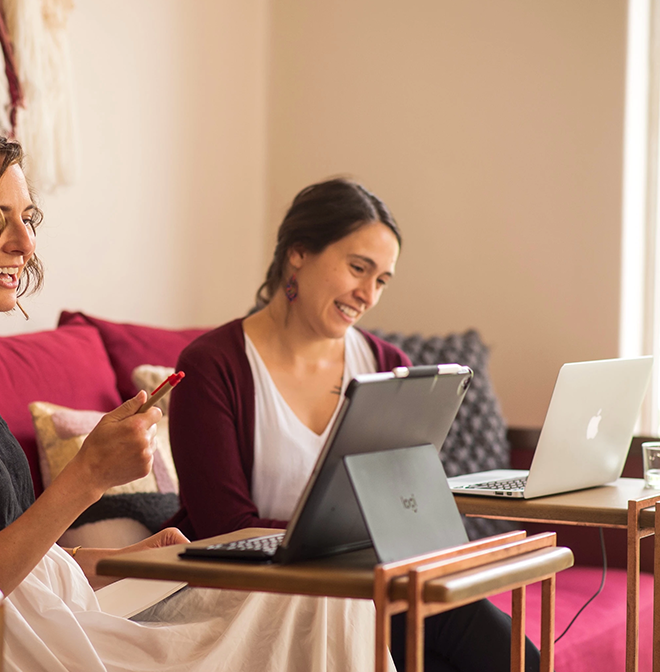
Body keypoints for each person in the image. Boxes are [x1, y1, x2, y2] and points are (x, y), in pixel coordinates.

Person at [0, 116, 392, 671]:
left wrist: (121, 563)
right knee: (320, 603)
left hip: (40, 614)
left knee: (322, 593)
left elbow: (10, 555)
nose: (25, 243)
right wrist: (86, 479)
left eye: (28, 218)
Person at [166, 178, 540, 672]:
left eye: (382, 280)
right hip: (255, 591)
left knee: (514, 655)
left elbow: (409, 500)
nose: (367, 294)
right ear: (298, 253)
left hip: (367, 582)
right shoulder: (213, 365)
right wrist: (366, 546)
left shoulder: (387, 364)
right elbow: (225, 529)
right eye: (358, 268)